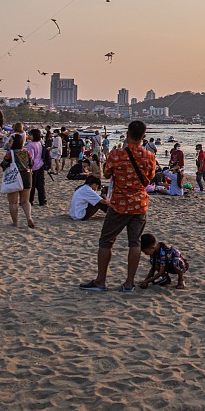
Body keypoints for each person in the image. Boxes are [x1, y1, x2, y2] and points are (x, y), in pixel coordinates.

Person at [80, 120, 157, 292]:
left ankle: (101, 281)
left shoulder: (116, 155)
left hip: (119, 204)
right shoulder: (149, 156)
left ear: (127, 134)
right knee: (134, 243)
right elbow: (150, 177)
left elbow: (107, 173)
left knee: (106, 241)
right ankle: (129, 283)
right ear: (143, 137)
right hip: (139, 204)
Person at [2, 134, 34, 228]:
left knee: (13, 202)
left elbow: (4, 164)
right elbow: (31, 163)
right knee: (25, 201)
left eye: (11, 141)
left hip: (15, 177)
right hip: (27, 176)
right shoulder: (26, 152)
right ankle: (29, 218)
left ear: (15, 142)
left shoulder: (10, 154)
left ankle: (15, 223)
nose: (9, 143)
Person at [26, 129, 47, 206]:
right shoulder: (39, 143)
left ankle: (30, 200)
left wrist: (29, 167)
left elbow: (30, 157)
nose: (29, 136)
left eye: (30, 135)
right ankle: (42, 200)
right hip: (40, 164)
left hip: (34, 166)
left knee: (32, 184)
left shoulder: (31, 145)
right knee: (40, 183)